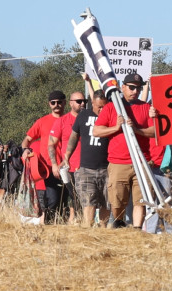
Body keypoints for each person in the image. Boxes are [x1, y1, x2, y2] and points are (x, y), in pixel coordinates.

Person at [93, 73, 154, 229]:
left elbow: (154, 131)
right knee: (117, 200)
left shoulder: (145, 107)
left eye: (139, 88)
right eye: (132, 87)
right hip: (118, 162)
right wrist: (116, 127)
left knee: (141, 200)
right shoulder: (111, 107)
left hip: (141, 162)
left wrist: (137, 130)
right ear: (123, 87)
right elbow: (96, 131)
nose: (135, 91)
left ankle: (137, 229)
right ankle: (119, 223)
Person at [63, 83, 110, 227]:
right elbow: (73, 136)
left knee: (106, 203)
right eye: (98, 107)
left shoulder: (111, 116)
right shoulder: (84, 115)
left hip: (107, 169)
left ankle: (103, 232)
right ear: (92, 103)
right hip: (86, 170)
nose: (101, 110)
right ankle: (88, 231)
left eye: (103, 106)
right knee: (88, 202)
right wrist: (67, 156)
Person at [21, 90, 66, 224]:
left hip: (67, 165)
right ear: (49, 104)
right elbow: (27, 139)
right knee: (51, 199)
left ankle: (61, 225)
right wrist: (25, 150)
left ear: (64, 103)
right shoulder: (42, 121)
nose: (56, 105)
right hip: (47, 168)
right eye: (53, 102)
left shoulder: (70, 120)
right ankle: (47, 224)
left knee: (67, 199)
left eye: (59, 102)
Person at [48, 90, 87, 224]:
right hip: (70, 167)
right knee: (74, 197)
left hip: (88, 166)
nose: (82, 104)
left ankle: (84, 223)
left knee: (88, 198)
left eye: (84, 101)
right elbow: (51, 144)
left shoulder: (90, 118)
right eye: (79, 101)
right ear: (70, 103)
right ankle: (75, 223)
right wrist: (54, 164)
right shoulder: (62, 121)